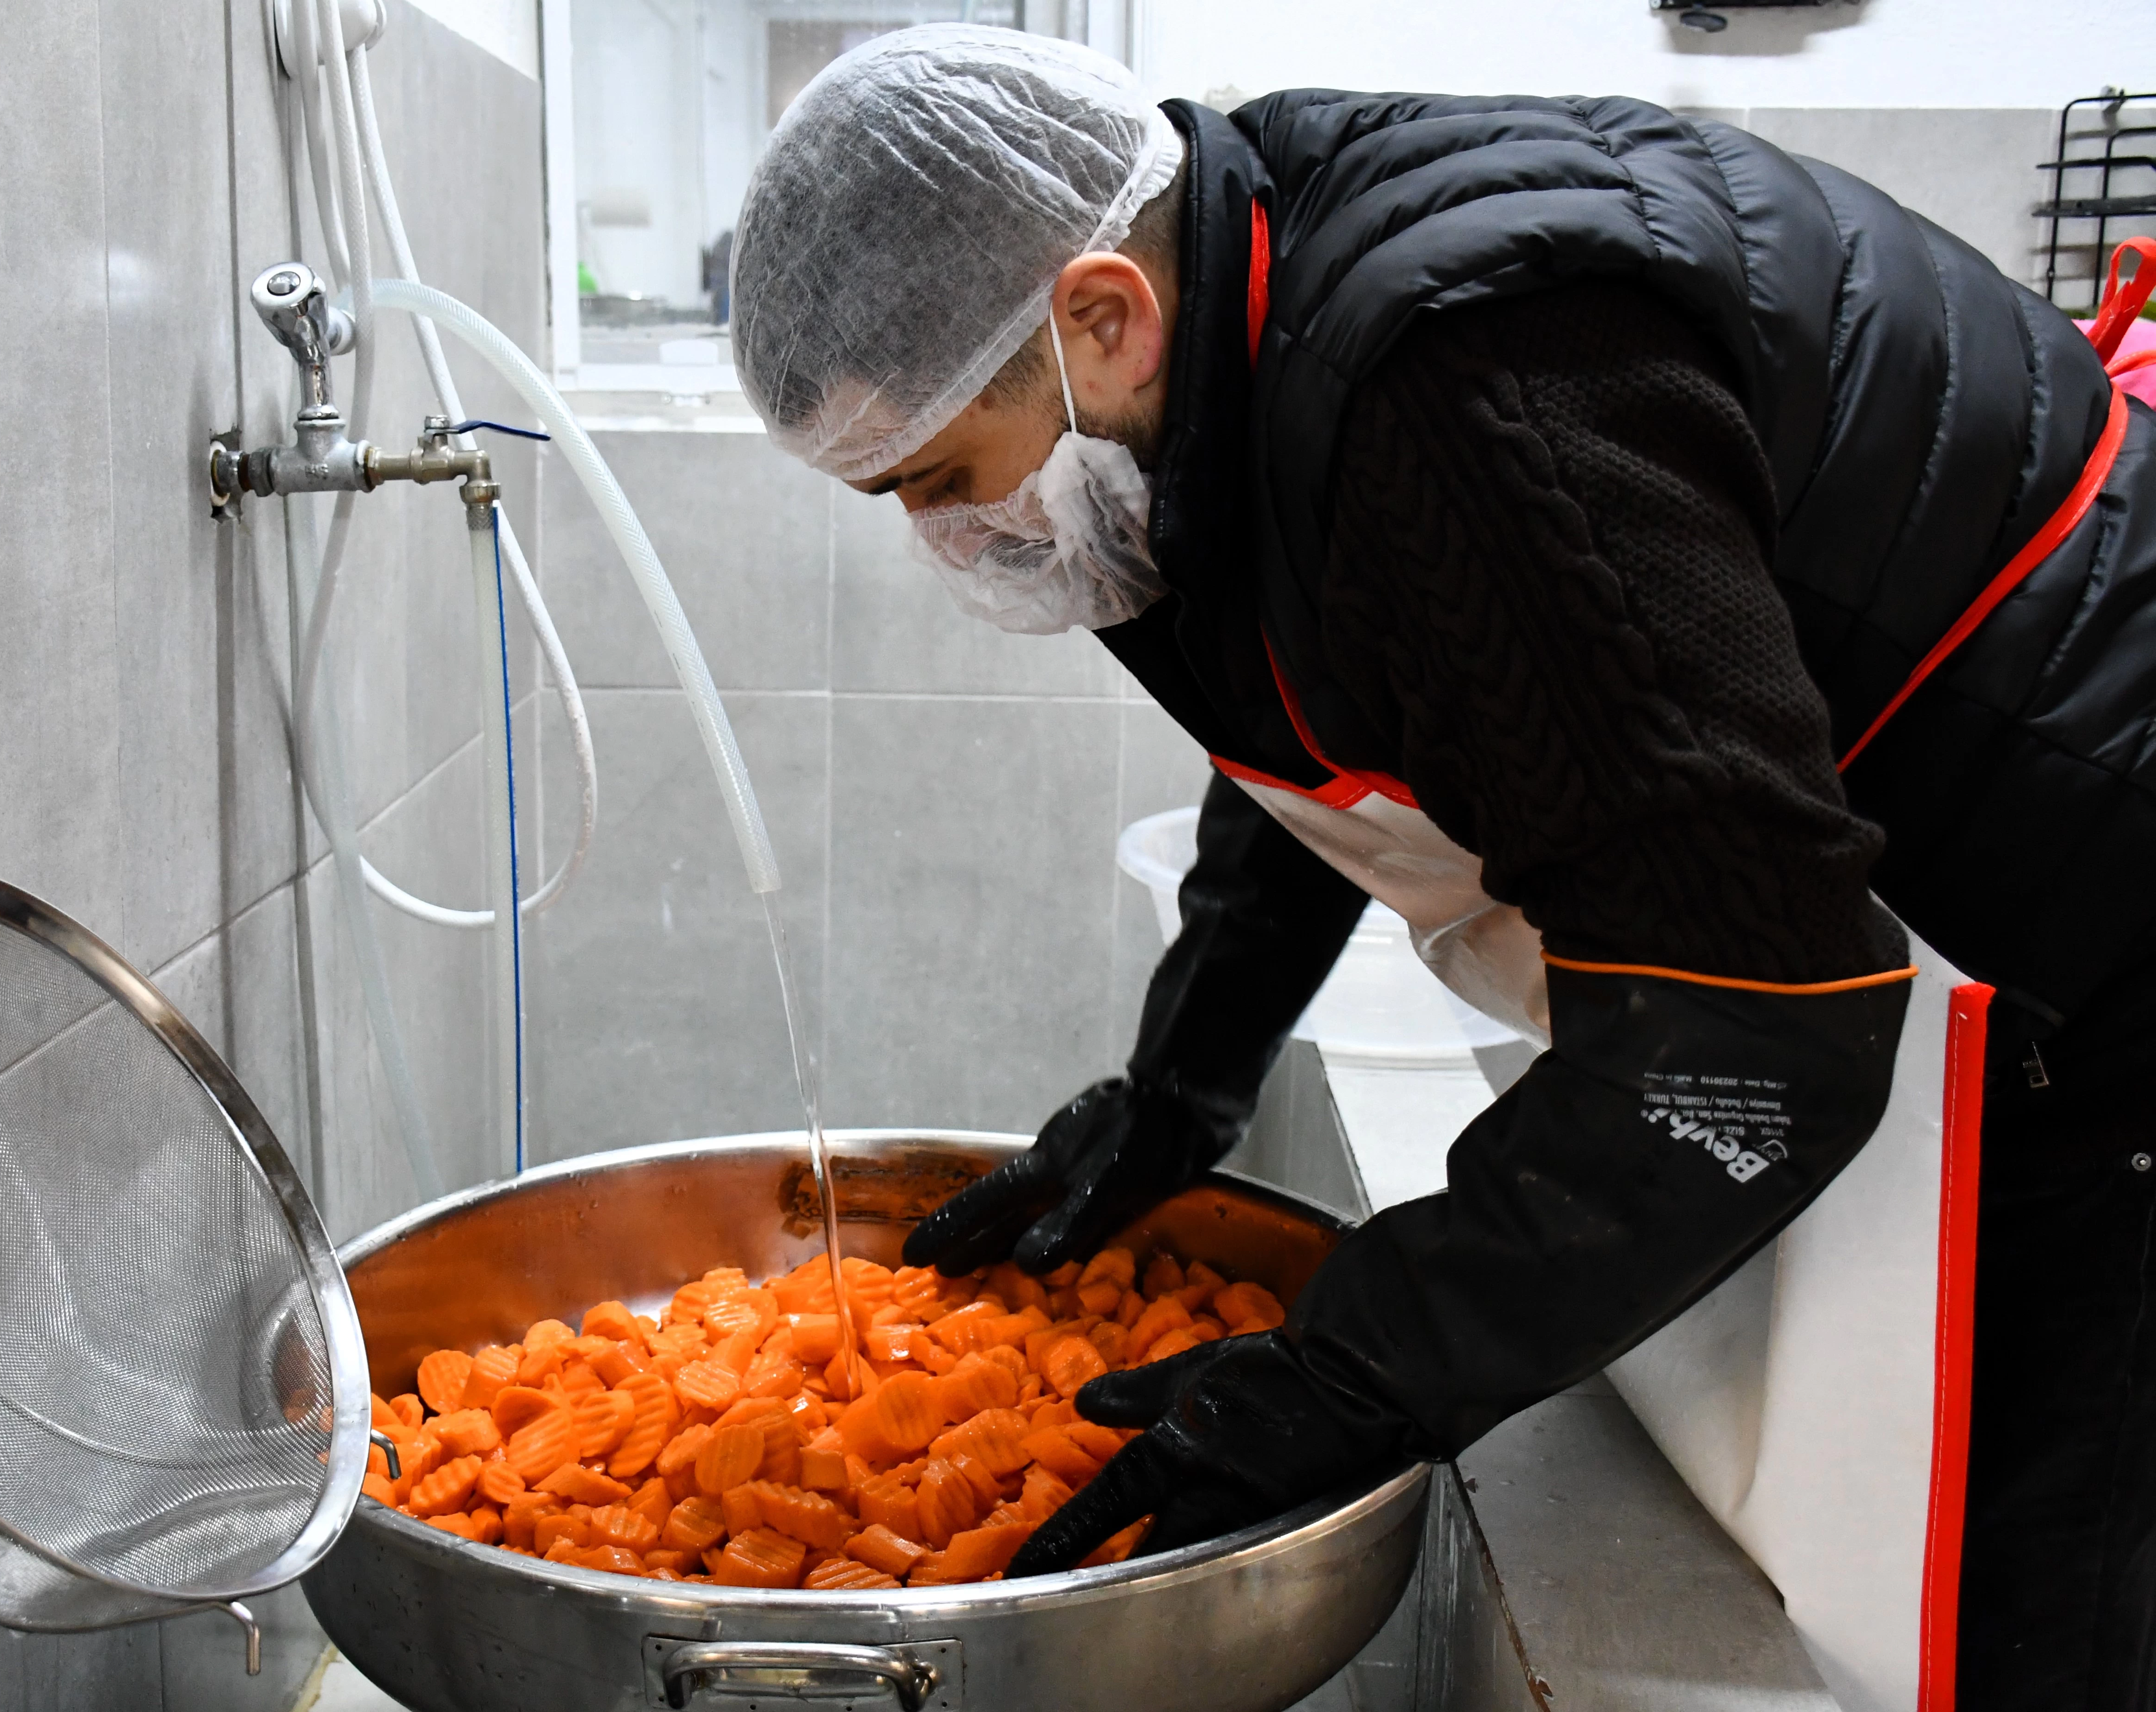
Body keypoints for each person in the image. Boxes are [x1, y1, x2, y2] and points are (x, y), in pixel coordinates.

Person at [727, 25, 2156, 1707]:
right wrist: (1178, 1091)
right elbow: (1315, 724)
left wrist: (1355, 1374)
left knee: (2033, 1558)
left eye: (948, 482)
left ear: (1100, 316)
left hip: (2089, 879)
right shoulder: (1213, 313)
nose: (956, 542)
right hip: (1851, 865)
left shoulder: (1467, 379)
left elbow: (1759, 1022)